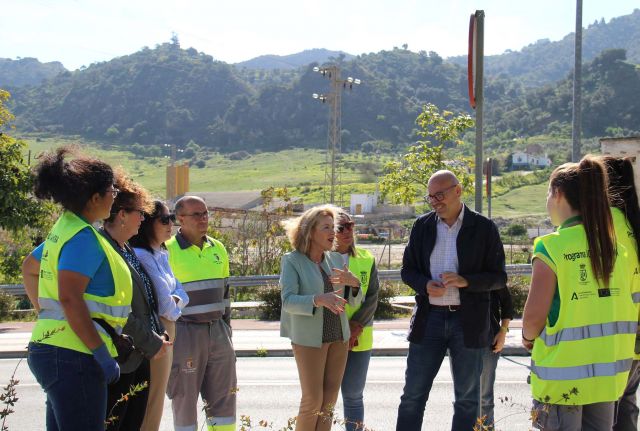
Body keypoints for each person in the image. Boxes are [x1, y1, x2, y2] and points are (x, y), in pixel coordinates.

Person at [522, 156, 637, 431]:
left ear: (558, 194)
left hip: (562, 378)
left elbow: (533, 318)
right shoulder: (615, 248)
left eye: (548, 194)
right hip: (607, 377)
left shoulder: (551, 247)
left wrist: (527, 337)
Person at [22, 147, 131, 430]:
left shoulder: (67, 229)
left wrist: (47, 314)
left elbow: (29, 268)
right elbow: (70, 298)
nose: (115, 196)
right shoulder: (83, 238)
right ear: (95, 197)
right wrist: (100, 353)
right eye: (112, 190)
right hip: (74, 354)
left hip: (56, 349)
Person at [396, 170, 507, 431]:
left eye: (440, 194)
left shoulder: (484, 228)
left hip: (468, 323)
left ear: (458, 191)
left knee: (468, 400)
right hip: (429, 320)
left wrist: (465, 281)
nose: (435, 201)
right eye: (430, 196)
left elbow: (499, 277)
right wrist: (424, 284)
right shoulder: (422, 226)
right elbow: (407, 270)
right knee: (412, 396)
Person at [279, 204, 363, 431]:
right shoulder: (292, 261)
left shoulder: (336, 260)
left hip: (339, 337)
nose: (333, 233)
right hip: (309, 340)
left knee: (328, 404)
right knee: (312, 401)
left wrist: (355, 284)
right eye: (326, 227)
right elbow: (287, 301)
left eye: (333, 227)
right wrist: (318, 299)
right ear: (310, 231)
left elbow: (353, 301)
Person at [101, 172, 172, 431]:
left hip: (138, 355)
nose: (143, 219)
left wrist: (157, 336)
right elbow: (117, 311)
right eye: (139, 213)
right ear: (121, 214)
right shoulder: (102, 247)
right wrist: (151, 341)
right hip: (120, 357)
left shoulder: (125, 248)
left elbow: (146, 302)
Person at [165, 196, 236, 431]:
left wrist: (227, 330)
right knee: (184, 399)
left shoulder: (219, 248)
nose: (203, 218)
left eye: (205, 213)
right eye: (196, 214)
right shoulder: (168, 250)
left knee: (224, 400)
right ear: (180, 219)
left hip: (218, 332)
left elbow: (225, 293)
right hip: (185, 332)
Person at [129, 200, 190, 431]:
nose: (170, 224)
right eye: (164, 219)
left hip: (166, 330)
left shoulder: (160, 254)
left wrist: (177, 298)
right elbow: (167, 306)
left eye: (171, 218)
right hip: (157, 331)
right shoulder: (142, 256)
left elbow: (182, 292)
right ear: (146, 223)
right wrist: (177, 298)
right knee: (151, 401)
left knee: (155, 399)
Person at [601, 156, 640, 431]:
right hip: (636, 333)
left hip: (614, 334)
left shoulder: (604, 225)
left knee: (606, 408)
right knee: (627, 403)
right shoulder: (633, 222)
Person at [335, 211, 380, 431]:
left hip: (359, 339)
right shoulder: (320, 259)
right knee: (324, 398)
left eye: (350, 225)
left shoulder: (366, 258)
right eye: (340, 227)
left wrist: (356, 326)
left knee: (353, 395)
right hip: (330, 337)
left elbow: (372, 297)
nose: (347, 231)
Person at [479, 287, 513, 429]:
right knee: (464, 398)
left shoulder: (490, 268)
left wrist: (503, 332)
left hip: (489, 340)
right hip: (459, 341)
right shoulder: (456, 267)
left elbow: (507, 301)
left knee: (485, 398)